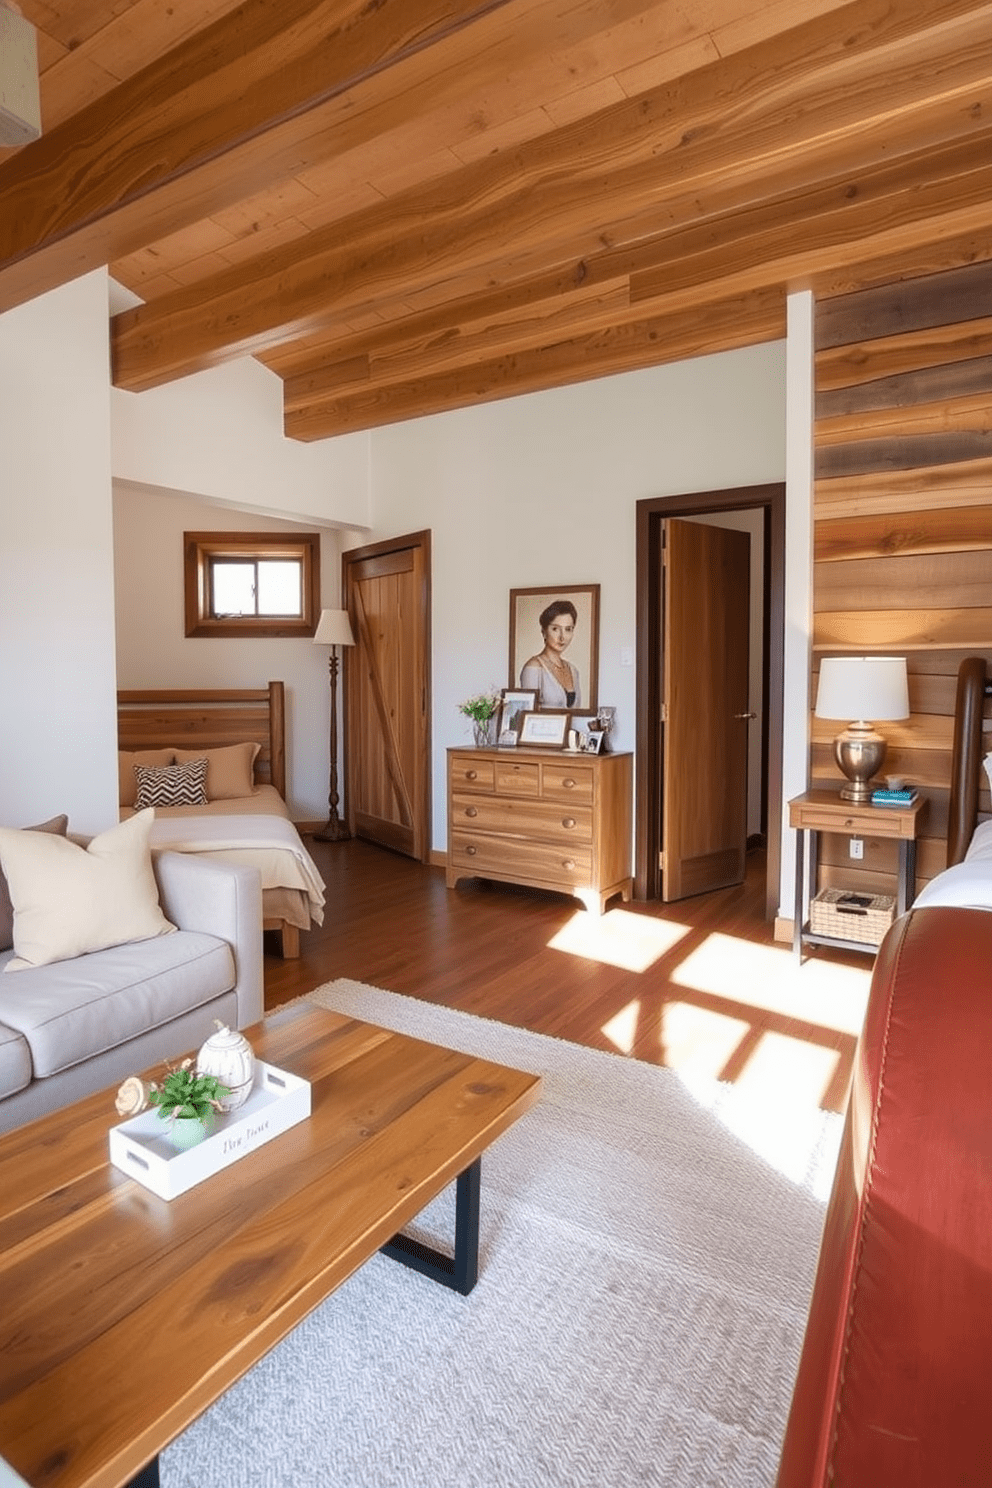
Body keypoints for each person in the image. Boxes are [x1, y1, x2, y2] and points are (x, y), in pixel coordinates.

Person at [520, 599, 581, 707]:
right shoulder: (534, 667)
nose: (562, 637)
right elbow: (528, 713)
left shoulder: (573, 670)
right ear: (544, 632)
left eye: (568, 629)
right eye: (555, 629)